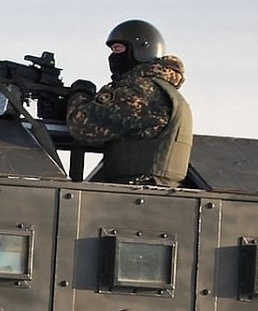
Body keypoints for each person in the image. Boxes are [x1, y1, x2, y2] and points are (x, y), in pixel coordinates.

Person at [65, 19, 193, 187]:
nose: (113, 56)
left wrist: (79, 94)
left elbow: (81, 125)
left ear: (141, 49)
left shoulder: (141, 92)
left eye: (118, 49)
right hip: (150, 191)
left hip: (138, 192)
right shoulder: (162, 90)